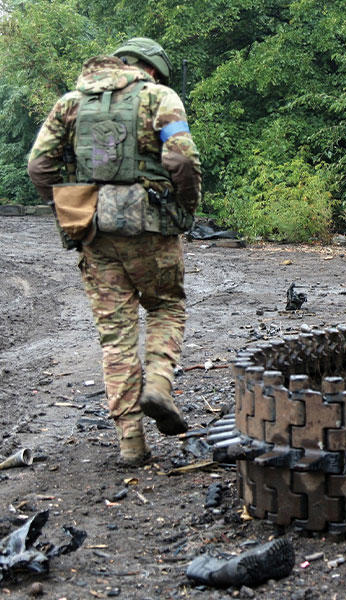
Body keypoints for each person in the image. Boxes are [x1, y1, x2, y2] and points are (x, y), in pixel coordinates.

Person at [27, 37, 202, 466]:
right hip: (151, 227)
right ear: (151, 68)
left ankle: (131, 444)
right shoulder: (160, 96)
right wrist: (187, 206)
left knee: (115, 336)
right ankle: (158, 384)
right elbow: (181, 160)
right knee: (165, 306)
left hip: (94, 230)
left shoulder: (71, 103)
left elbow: (38, 166)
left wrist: (66, 203)